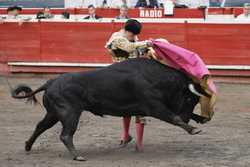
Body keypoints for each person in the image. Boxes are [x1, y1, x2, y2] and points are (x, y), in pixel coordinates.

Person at [105, 19, 151, 151]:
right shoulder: (117, 38)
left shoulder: (134, 37)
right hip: (121, 78)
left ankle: (139, 142)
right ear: (126, 31)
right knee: (126, 107)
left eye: (134, 36)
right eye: (132, 35)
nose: (134, 38)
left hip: (136, 77)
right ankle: (125, 135)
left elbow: (138, 51)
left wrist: (146, 50)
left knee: (141, 108)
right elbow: (129, 47)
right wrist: (146, 43)